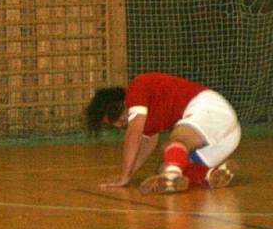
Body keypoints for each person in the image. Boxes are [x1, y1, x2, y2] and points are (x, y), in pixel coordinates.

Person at [85, 72, 241, 194]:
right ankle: (209, 175)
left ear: (117, 106)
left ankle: (171, 176)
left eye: (114, 120)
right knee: (166, 166)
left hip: (211, 110)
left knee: (176, 142)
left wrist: (124, 177)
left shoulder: (136, 88)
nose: (118, 125)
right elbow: (146, 144)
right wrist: (128, 174)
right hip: (227, 138)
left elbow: (134, 136)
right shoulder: (146, 116)